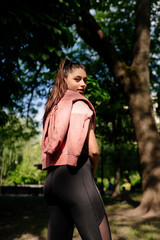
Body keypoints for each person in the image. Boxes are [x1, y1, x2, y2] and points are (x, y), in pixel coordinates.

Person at [41, 58, 112, 240]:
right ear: (65, 80)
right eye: (77, 79)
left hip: (51, 183)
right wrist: (91, 175)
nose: (83, 84)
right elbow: (93, 151)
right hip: (76, 178)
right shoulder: (80, 104)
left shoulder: (52, 108)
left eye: (85, 80)